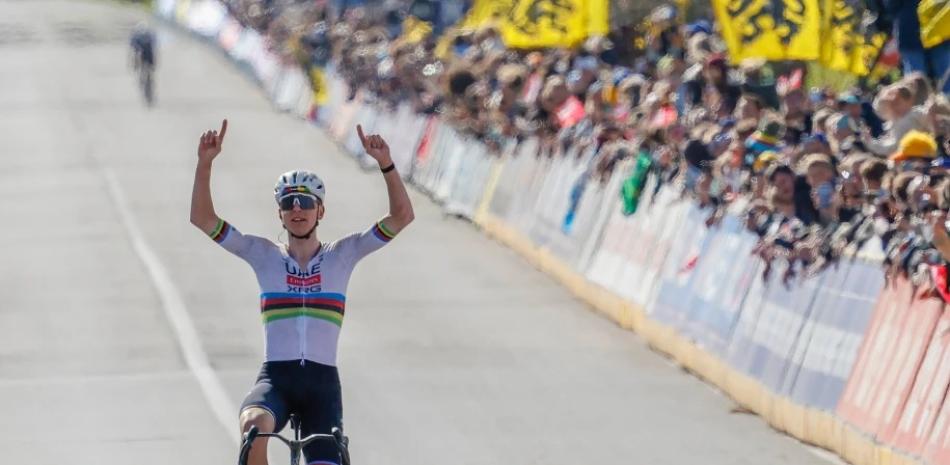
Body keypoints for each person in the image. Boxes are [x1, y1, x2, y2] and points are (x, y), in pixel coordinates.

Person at [189, 120, 414, 465]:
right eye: (289, 202)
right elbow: (203, 219)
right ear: (280, 213)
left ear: (320, 211)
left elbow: (402, 216)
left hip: (321, 387)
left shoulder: (344, 254)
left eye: (306, 203)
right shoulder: (262, 254)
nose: (297, 209)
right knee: (253, 427)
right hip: (276, 380)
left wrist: (385, 163)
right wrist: (205, 164)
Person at [129, 22, 156, 103]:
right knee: (149, 69)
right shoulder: (150, 35)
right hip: (148, 55)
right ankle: (147, 80)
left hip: (142, 54)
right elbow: (154, 45)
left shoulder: (136, 36)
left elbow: (132, 47)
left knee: (139, 62)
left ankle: (143, 79)